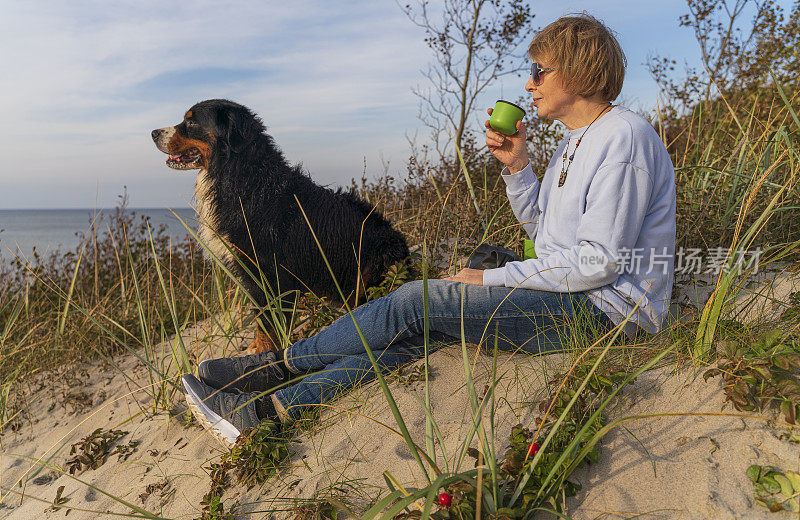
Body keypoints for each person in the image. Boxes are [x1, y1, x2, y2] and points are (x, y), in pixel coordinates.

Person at [181, 13, 676, 446]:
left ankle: (273, 367)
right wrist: (519, 167)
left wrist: (491, 280)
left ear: (579, 70)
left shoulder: (622, 137)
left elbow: (598, 262)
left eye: (539, 70)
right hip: (574, 299)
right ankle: (270, 410)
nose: (530, 84)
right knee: (412, 337)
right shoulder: (578, 141)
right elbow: (548, 239)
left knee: (418, 301)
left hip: (606, 316)